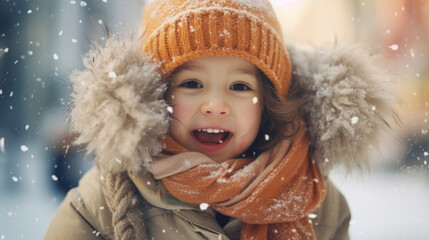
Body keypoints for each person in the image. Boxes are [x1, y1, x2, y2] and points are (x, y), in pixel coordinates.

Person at [45, 0, 396, 239]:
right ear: (152, 95)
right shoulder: (100, 204)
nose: (215, 104)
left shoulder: (315, 198)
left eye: (240, 86)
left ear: (269, 104)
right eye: (192, 83)